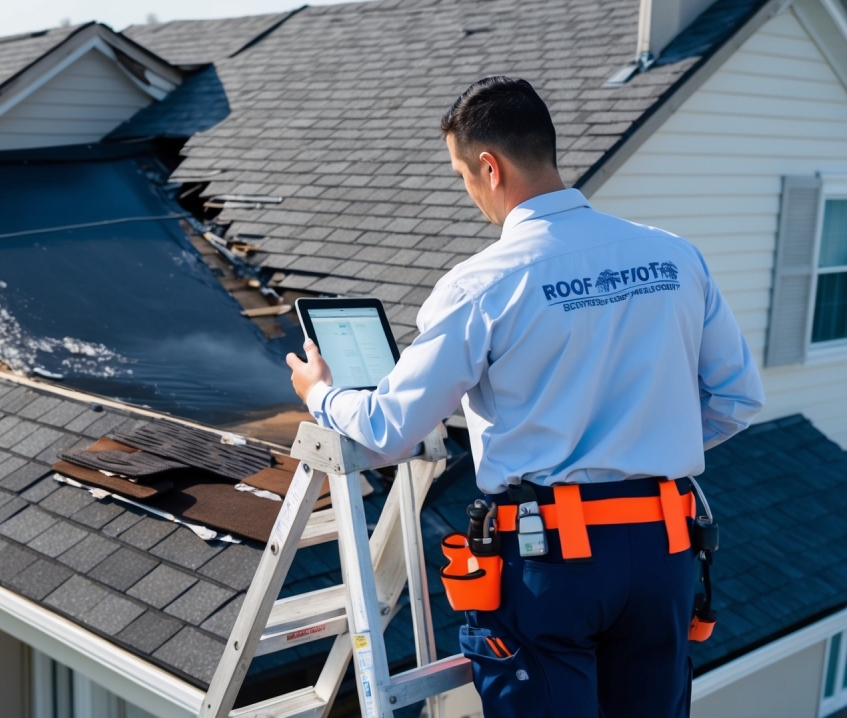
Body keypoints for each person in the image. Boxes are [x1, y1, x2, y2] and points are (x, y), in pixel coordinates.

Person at [285, 76, 764, 718]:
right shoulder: (674, 257)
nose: (468, 190)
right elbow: (735, 399)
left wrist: (322, 395)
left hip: (550, 563)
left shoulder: (483, 285)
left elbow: (390, 426)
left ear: (490, 166)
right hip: (663, 549)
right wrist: (642, 444)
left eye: (462, 174)